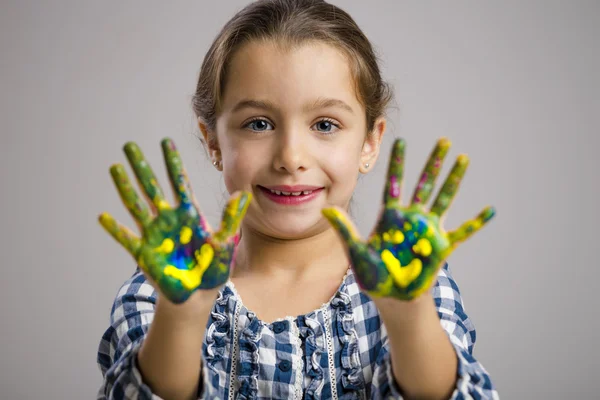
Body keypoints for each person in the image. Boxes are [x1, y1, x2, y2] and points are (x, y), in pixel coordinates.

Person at [96, 0, 499, 398]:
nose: (291, 157)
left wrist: (408, 316)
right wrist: (181, 317)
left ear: (370, 142)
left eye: (325, 124)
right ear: (213, 140)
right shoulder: (158, 291)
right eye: (258, 124)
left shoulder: (413, 285)